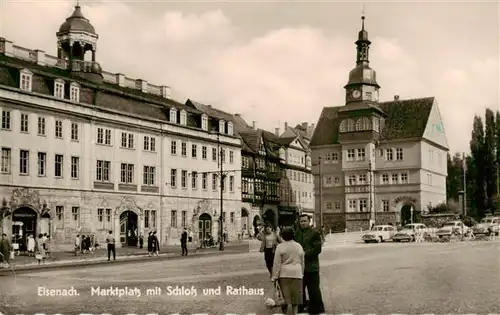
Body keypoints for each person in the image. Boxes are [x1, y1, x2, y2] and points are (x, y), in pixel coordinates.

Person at [295, 214, 325, 315]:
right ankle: (302, 306)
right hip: (300, 267)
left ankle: (317, 308)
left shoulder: (315, 233)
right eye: (301, 221)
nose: (303, 223)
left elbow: (318, 249)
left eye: (305, 221)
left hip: (312, 266)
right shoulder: (297, 234)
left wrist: (305, 254)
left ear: (309, 222)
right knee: (301, 288)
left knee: (313, 289)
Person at [271, 227, 304, 315]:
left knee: (284, 297)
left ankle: (284, 313)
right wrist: (302, 273)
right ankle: (295, 313)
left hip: (284, 274)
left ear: (282, 236)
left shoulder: (280, 247)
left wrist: (274, 276)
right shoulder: (298, 246)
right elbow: (302, 261)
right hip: (297, 273)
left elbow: (277, 263)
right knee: (295, 297)